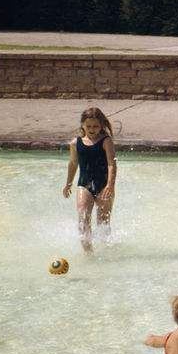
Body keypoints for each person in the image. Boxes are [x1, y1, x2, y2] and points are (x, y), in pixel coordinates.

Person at [63, 106, 117, 251]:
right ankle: (89, 254)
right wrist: (68, 184)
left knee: (103, 222)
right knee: (83, 219)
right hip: (84, 185)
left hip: (103, 185)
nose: (92, 129)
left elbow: (112, 163)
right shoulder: (76, 143)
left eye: (96, 126)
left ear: (101, 126)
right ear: (82, 125)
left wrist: (110, 185)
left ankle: (106, 251)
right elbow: (73, 163)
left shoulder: (106, 141)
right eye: (88, 126)